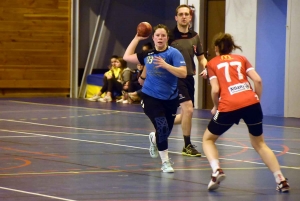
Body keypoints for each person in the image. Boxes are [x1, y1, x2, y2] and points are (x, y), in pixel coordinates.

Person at [203, 32, 290, 192]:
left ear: (216, 48)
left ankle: (216, 170)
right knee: (260, 144)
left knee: (208, 139)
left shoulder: (212, 63)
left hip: (229, 105)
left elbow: (215, 90)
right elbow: (257, 80)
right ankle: (281, 179)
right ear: (231, 47)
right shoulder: (241, 59)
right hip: (251, 103)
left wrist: (216, 106)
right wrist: (257, 98)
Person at [123, 24, 187, 173]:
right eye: (157, 35)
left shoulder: (174, 54)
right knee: (162, 127)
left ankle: (153, 139)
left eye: (163, 35)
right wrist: (137, 37)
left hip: (170, 99)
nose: (160, 38)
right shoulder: (148, 54)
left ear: (167, 38)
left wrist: (166, 66)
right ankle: (165, 162)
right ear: (153, 38)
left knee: (165, 130)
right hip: (150, 96)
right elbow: (126, 56)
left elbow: (183, 73)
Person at [168, 4, 208, 157]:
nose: (184, 16)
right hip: (173, 78)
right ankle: (187, 145)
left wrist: (207, 67)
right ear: (176, 17)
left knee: (187, 113)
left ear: (190, 17)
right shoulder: (169, 36)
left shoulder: (194, 36)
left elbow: (201, 58)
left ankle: (163, 124)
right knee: (189, 109)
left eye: (187, 14)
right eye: (181, 14)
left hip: (189, 78)